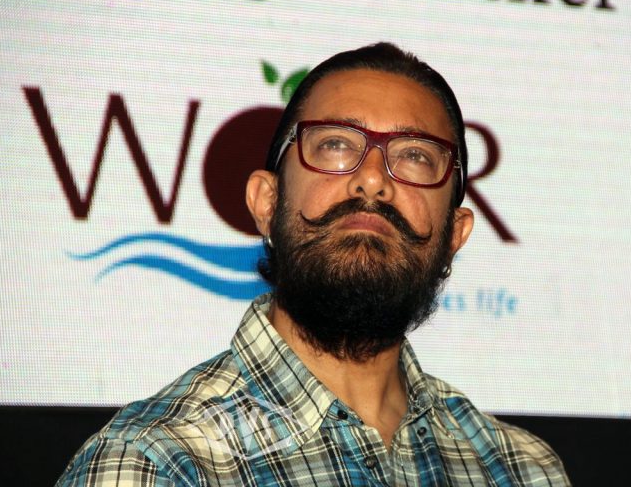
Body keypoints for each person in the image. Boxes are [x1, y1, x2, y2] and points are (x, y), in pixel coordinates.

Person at [58, 43, 570, 486]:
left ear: (455, 233)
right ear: (266, 202)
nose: (374, 180)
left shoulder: (520, 469)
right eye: (335, 145)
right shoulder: (154, 464)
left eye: (415, 156)